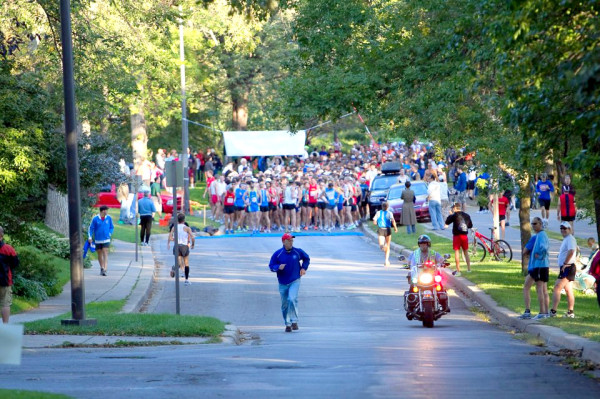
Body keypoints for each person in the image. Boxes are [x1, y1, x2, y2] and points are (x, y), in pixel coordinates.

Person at [268, 233, 310, 332]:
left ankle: (294, 321)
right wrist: (278, 267)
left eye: (292, 240)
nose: (291, 242)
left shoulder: (297, 252)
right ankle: (288, 323)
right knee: (284, 304)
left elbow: (307, 258)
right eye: (289, 240)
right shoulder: (278, 254)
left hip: (295, 280)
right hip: (282, 282)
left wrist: (304, 268)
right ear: (283, 242)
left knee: (292, 299)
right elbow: (271, 266)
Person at [517, 217, 550, 319]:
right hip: (539, 266)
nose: (533, 226)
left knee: (540, 288)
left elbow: (544, 248)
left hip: (539, 266)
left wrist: (539, 256)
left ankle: (542, 313)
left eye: (535, 223)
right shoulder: (540, 235)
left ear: (540, 224)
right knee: (541, 288)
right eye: (532, 224)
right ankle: (544, 312)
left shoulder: (540, 235)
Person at [406, 235, 447, 310]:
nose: (423, 245)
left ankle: (444, 304)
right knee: (412, 285)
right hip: (419, 275)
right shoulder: (414, 253)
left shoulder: (433, 253)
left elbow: (440, 259)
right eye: (421, 244)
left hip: (431, 275)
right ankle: (410, 305)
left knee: (440, 285)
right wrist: (407, 265)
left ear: (428, 244)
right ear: (419, 244)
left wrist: (442, 262)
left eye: (424, 243)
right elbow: (409, 261)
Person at [549, 221, 577, 318]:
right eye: (561, 228)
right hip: (566, 267)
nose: (563, 230)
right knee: (568, 289)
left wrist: (565, 263)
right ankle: (570, 312)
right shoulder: (566, 239)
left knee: (557, 287)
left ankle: (553, 311)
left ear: (570, 229)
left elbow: (572, 251)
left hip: (568, 267)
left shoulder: (570, 239)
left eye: (565, 228)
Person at [444, 202, 473, 276]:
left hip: (457, 236)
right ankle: (469, 269)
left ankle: (458, 270)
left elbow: (447, 222)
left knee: (457, 252)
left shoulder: (454, 215)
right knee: (466, 252)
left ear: (454, 208)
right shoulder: (466, 215)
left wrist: (450, 214)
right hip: (464, 236)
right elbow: (470, 225)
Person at [167, 213, 196, 285]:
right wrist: (192, 244)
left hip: (177, 246)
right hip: (184, 246)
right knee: (186, 263)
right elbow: (193, 237)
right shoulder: (187, 228)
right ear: (184, 220)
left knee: (179, 262)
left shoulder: (174, 227)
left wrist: (172, 241)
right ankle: (186, 280)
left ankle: (174, 269)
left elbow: (170, 237)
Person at [88, 205, 114, 276]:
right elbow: (91, 228)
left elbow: (112, 227)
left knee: (105, 252)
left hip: (106, 239)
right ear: (103, 211)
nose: (107, 211)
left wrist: (109, 233)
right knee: (99, 254)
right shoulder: (95, 219)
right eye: (106, 210)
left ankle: (105, 269)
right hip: (98, 240)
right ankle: (102, 267)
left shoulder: (109, 218)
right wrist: (90, 237)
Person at [0, 226, 19, 323]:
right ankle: (5, 327)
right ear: (2, 235)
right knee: (5, 304)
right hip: (5, 280)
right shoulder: (8, 249)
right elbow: (15, 263)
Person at [372, 202, 398, 267]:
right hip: (388, 229)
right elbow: (393, 221)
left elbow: (374, 221)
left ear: (382, 206)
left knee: (381, 245)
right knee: (388, 245)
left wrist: (376, 223)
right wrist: (395, 228)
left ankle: (384, 247)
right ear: (388, 207)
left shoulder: (378, 213)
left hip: (381, 229)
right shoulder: (389, 213)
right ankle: (386, 260)